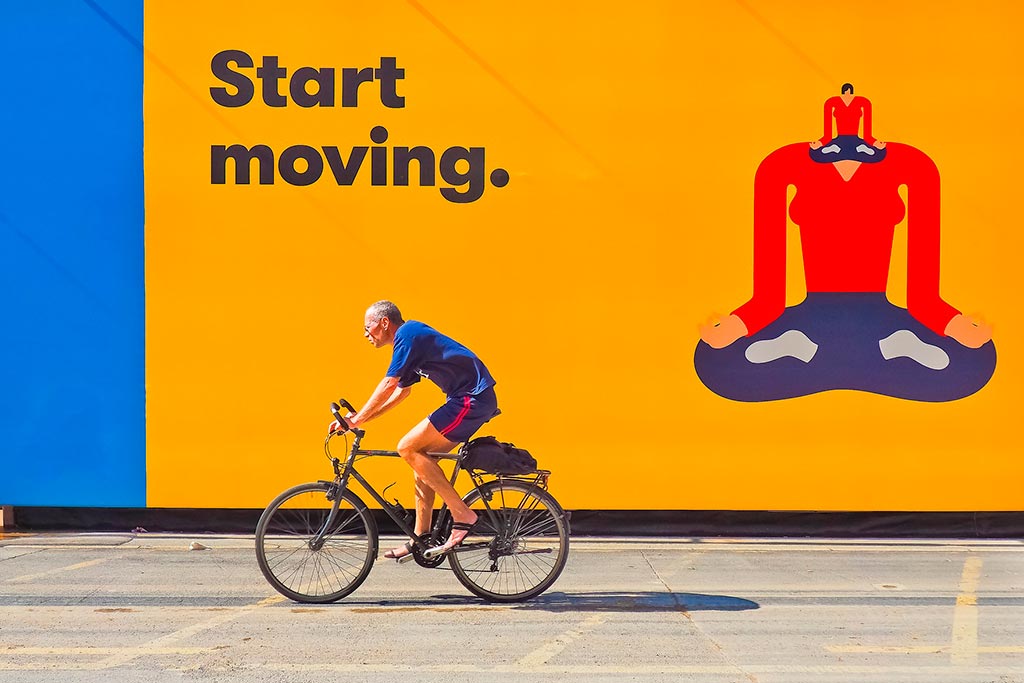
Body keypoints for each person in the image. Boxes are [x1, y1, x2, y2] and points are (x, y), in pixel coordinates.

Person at [695, 141, 995, 402]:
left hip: (878, 312)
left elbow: (923, 297)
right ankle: (866, 349)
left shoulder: (912, 165)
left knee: (975, 358)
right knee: (715, 359)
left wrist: (955, 326)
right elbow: (768, 297)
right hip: (814, 311)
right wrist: (738, 325)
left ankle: (835, 349)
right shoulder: (782, 165)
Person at [333, 301, 498, 560]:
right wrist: (362, 419)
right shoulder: (407, 341)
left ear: (384, 323)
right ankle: (420, 539)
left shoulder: (407, 336)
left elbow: (389, 383)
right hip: (466, 400)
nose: (365, 334)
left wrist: (355, 420)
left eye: (368, 328)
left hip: (470, 399)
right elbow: (401, 392)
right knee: (421, 461)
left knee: (406, 447)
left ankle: (462, 513)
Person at [809, 83, 887, 163]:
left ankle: (858, 149)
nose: (847, 96)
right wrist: (819, 143)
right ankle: (838, 149)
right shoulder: (831, 102)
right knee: (814, 153)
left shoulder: (863, 102)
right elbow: (827, 135)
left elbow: (867, 135)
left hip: (855, 138)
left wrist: (875, 143)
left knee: (880, 154)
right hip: (840, 139)